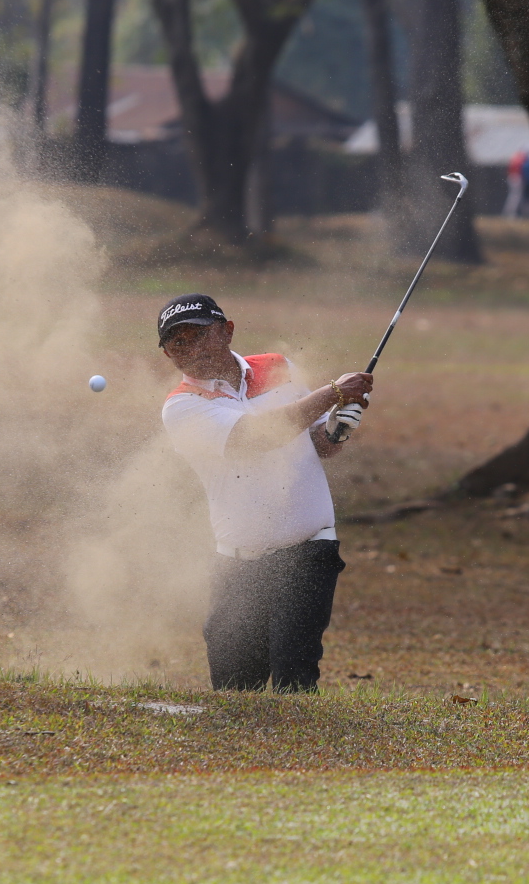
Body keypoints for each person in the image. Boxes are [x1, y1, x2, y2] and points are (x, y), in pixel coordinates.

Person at [157, 293, 374, 692]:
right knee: (235, 689)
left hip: (309, 549)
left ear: (227, 331)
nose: (191, 348)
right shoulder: (181, 407)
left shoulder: (278, 367)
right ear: (169, 355)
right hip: (237, 563)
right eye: (178, 343)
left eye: (200, 334)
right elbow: (252, 439)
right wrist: (332, 394)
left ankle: (303, 752)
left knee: (295, 674)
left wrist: (335, 428)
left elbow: (317, 443)